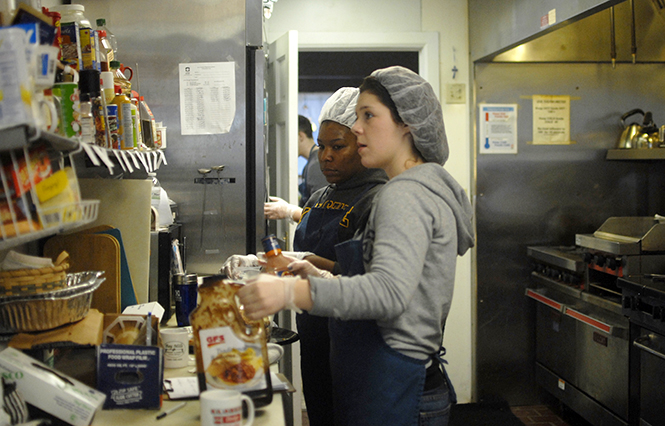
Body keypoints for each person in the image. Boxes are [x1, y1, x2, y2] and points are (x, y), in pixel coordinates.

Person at [238, 66, 475, 426]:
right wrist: (319, 274)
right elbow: (404, 288)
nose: (358, 127)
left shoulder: (404, 194)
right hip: (412, 380)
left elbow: (388, 294)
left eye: (369, 116)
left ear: (406, 124)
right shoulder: (426, 186)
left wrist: (289, 292)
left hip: (396, 385)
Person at [223, 87, 388, 426]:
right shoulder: (319, 196)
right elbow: (297, 261)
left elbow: (374, 283)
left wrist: (310, 264)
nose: (325, 156)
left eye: (338, 147)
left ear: (362, 142)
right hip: (313, 332)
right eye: (322, 146)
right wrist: (262, 264)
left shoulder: (379, 198)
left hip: (355, 342)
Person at [297, 114, 328, 207]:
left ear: (301, 136)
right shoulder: (311, 162)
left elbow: (320, 210)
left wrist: (290, 212)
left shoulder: (317, 164)